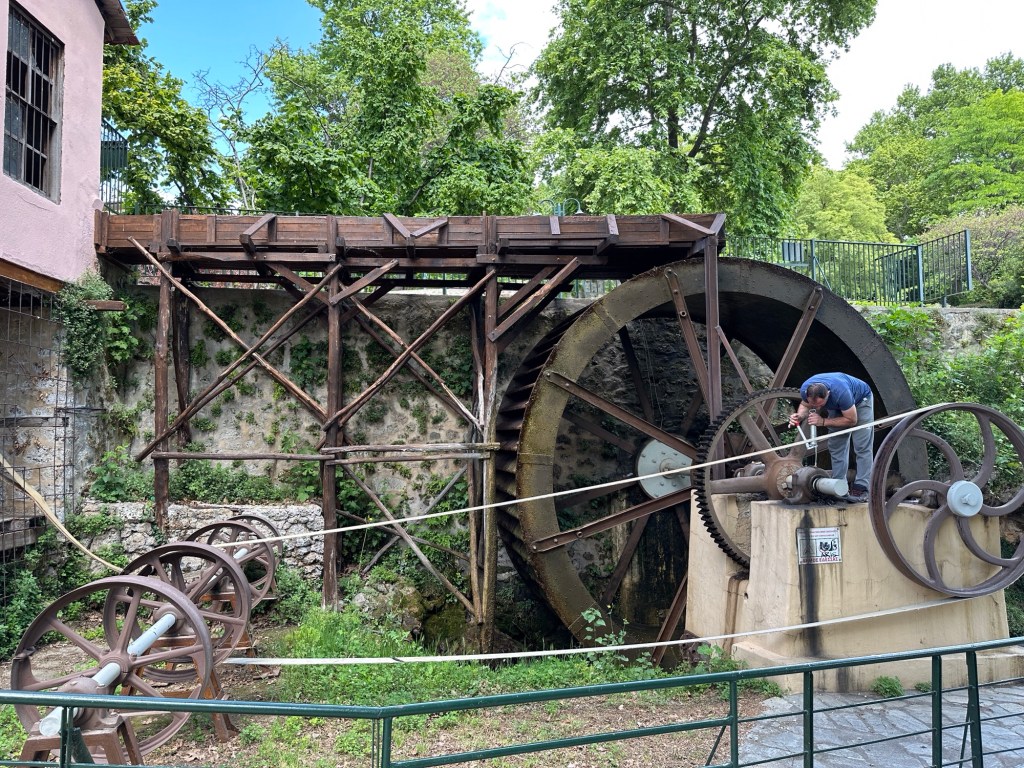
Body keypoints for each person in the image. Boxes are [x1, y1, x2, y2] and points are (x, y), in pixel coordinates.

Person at [787, 373, 874, 503]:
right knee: (836, 445)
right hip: (837, 405)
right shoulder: (806, 389)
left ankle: (862, 488)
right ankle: (839, 487)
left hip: (860, 402)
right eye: (813, 404)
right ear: (807, 394)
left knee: (861, 446)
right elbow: (805, 405)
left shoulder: (841, 392)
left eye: (820, 405)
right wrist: (799, 416)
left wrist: (823, 422)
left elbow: (852, 420)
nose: (816, 408)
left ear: (828, 393)